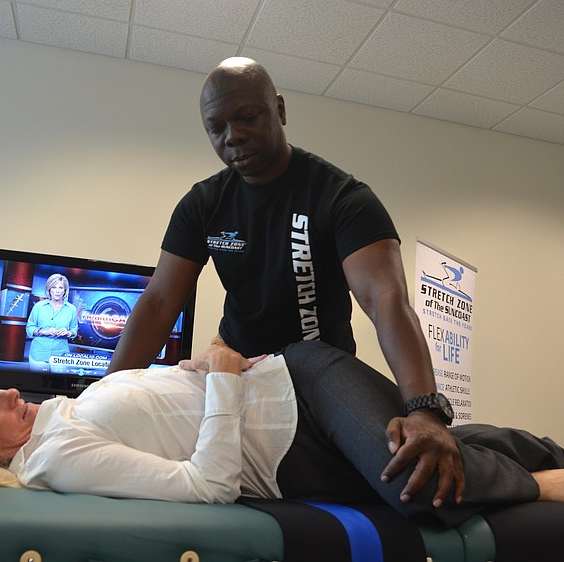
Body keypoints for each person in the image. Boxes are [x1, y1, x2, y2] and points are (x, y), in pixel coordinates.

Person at [106, 56, 461, 507]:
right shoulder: (203, 205)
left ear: (280, 109)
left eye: (247, 117)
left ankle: (533, 468)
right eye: (216, 127)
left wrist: (425, 409)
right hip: (239, 374)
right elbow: (159, 303)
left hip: (317, 380)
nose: (232, 136)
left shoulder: (342, 198)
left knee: (404, 474)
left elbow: (384, 299)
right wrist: (104, 395)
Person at [0, 341, 564, 527]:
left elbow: (176, 415)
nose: (7, 391)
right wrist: (222, 377)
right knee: (431, 470)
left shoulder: (67, 410)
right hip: (298, 449)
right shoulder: (56, 459)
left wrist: (198, 370)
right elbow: (208, 485)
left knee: (436, 451)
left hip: (302, 377)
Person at [26, 273, 79, 372]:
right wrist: (44, 331)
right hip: (39, 354)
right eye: (54, 287)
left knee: (57, 385)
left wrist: (68, 333)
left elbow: (74, 329)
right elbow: (29, 328)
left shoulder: (71, 309)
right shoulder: (39, 306)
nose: (57, 291)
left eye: (61, 288)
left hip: (60, 355)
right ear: (49, 289)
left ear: (65, 290)